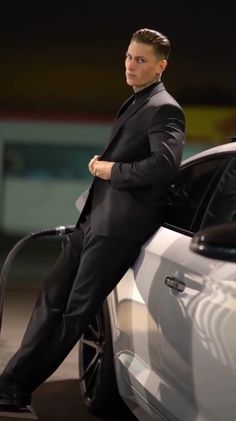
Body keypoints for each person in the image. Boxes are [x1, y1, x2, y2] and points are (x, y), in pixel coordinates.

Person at [0, 27, 185, 411]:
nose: (131, 65)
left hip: (117, 229)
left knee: (73, 313)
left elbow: (165, 166)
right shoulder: (137, 101)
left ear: (160, 66)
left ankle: (14, 387)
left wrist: (109, 170)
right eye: (129, 57)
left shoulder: (164, 107)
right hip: (94, 221)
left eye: (141, 60)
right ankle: (11, 382)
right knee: (51, 298)